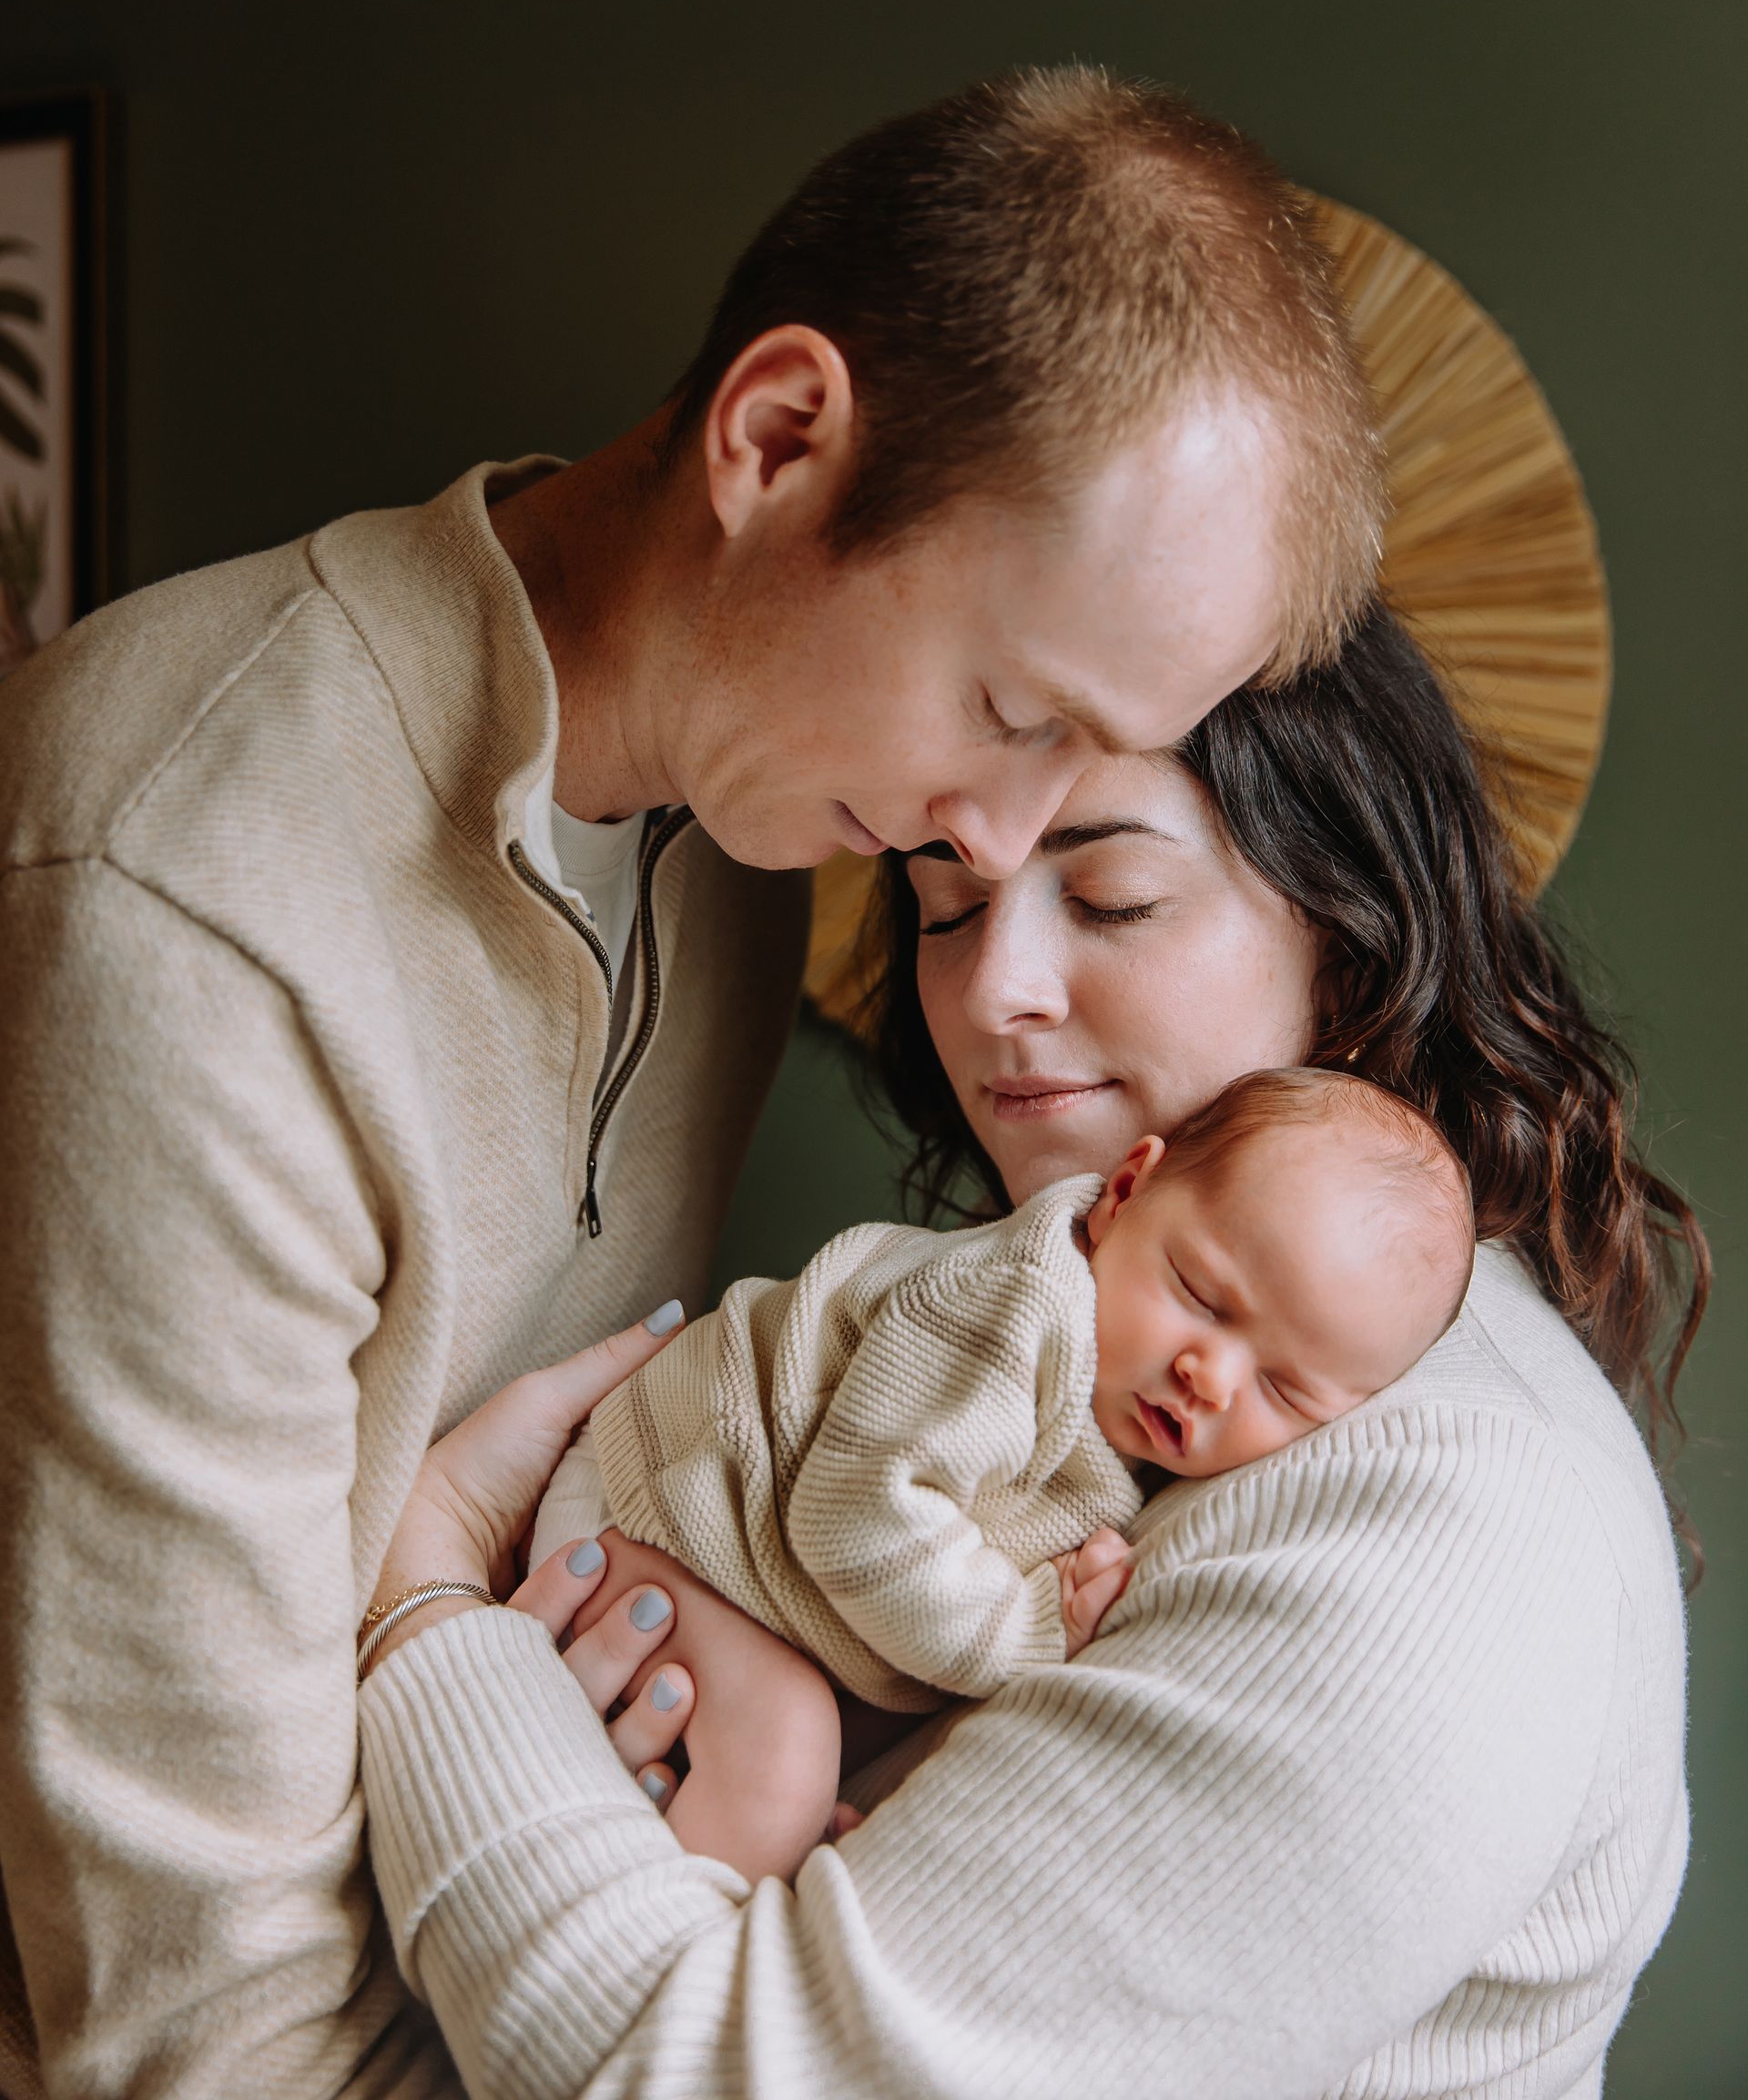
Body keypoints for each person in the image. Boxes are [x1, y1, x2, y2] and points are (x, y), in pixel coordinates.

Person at [0, 68, 1386, 2097]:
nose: (991, 848)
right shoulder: (182, 893)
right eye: (1011, 713)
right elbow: (189, 2031)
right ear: (779, 438)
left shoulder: (740, 823)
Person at [351, 604, 1708, 2100]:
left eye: (1115, 895)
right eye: (942, 905)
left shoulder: (1442, 1532)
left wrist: (424, 1603)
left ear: (1349, 920)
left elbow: (711, 2074)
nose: (993, 992)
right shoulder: (1076, 1365)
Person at [515, 1066, 1474, 1882]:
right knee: (787, 1750)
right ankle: (682, 1971)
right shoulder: (1015, 1308)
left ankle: (757, 1854)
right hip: (665, 1499)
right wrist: (1034, 1630)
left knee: (874, 1752)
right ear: (1129, 1188)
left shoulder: (1141, 1412)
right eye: (1199, 1292)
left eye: (1285, 1387)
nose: (1211, 1376)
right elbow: (855, 1517)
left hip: (767, 1571)